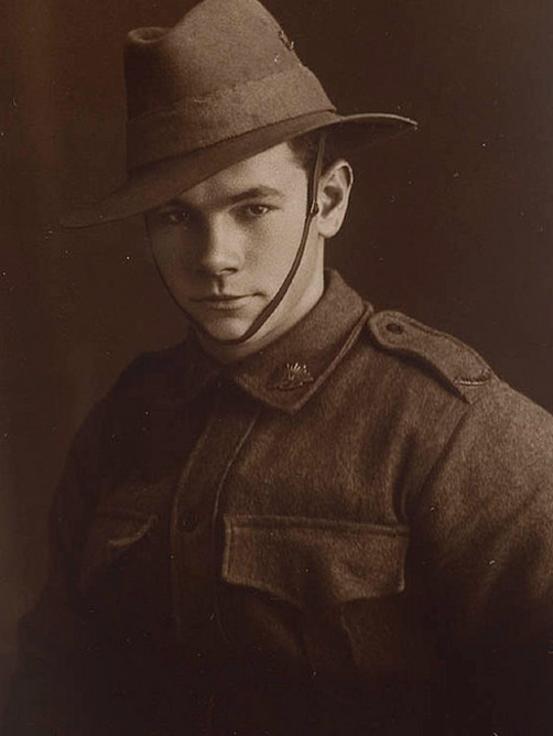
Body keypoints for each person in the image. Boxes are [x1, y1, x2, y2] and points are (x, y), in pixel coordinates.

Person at [4, 0, 553, 734]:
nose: (213, 258)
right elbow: (54, 688)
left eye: (252, 209)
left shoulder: (447, 428)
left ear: (326, 200)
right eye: (175, 216)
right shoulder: (124, 426)